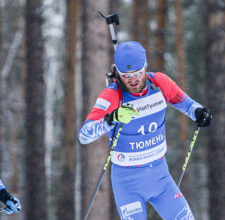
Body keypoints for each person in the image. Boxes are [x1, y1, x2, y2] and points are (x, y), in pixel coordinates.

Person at [79, 41, 212, 220]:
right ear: (117, 72)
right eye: (126, 75)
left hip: (160, 176)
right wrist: (111, 118)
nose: (133, 80)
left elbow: (186, 103)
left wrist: (199, 112)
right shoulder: (111, 95)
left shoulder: (159, 82)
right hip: (127, 182)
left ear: (145, 67)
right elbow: (84, 135)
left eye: (137, 73)